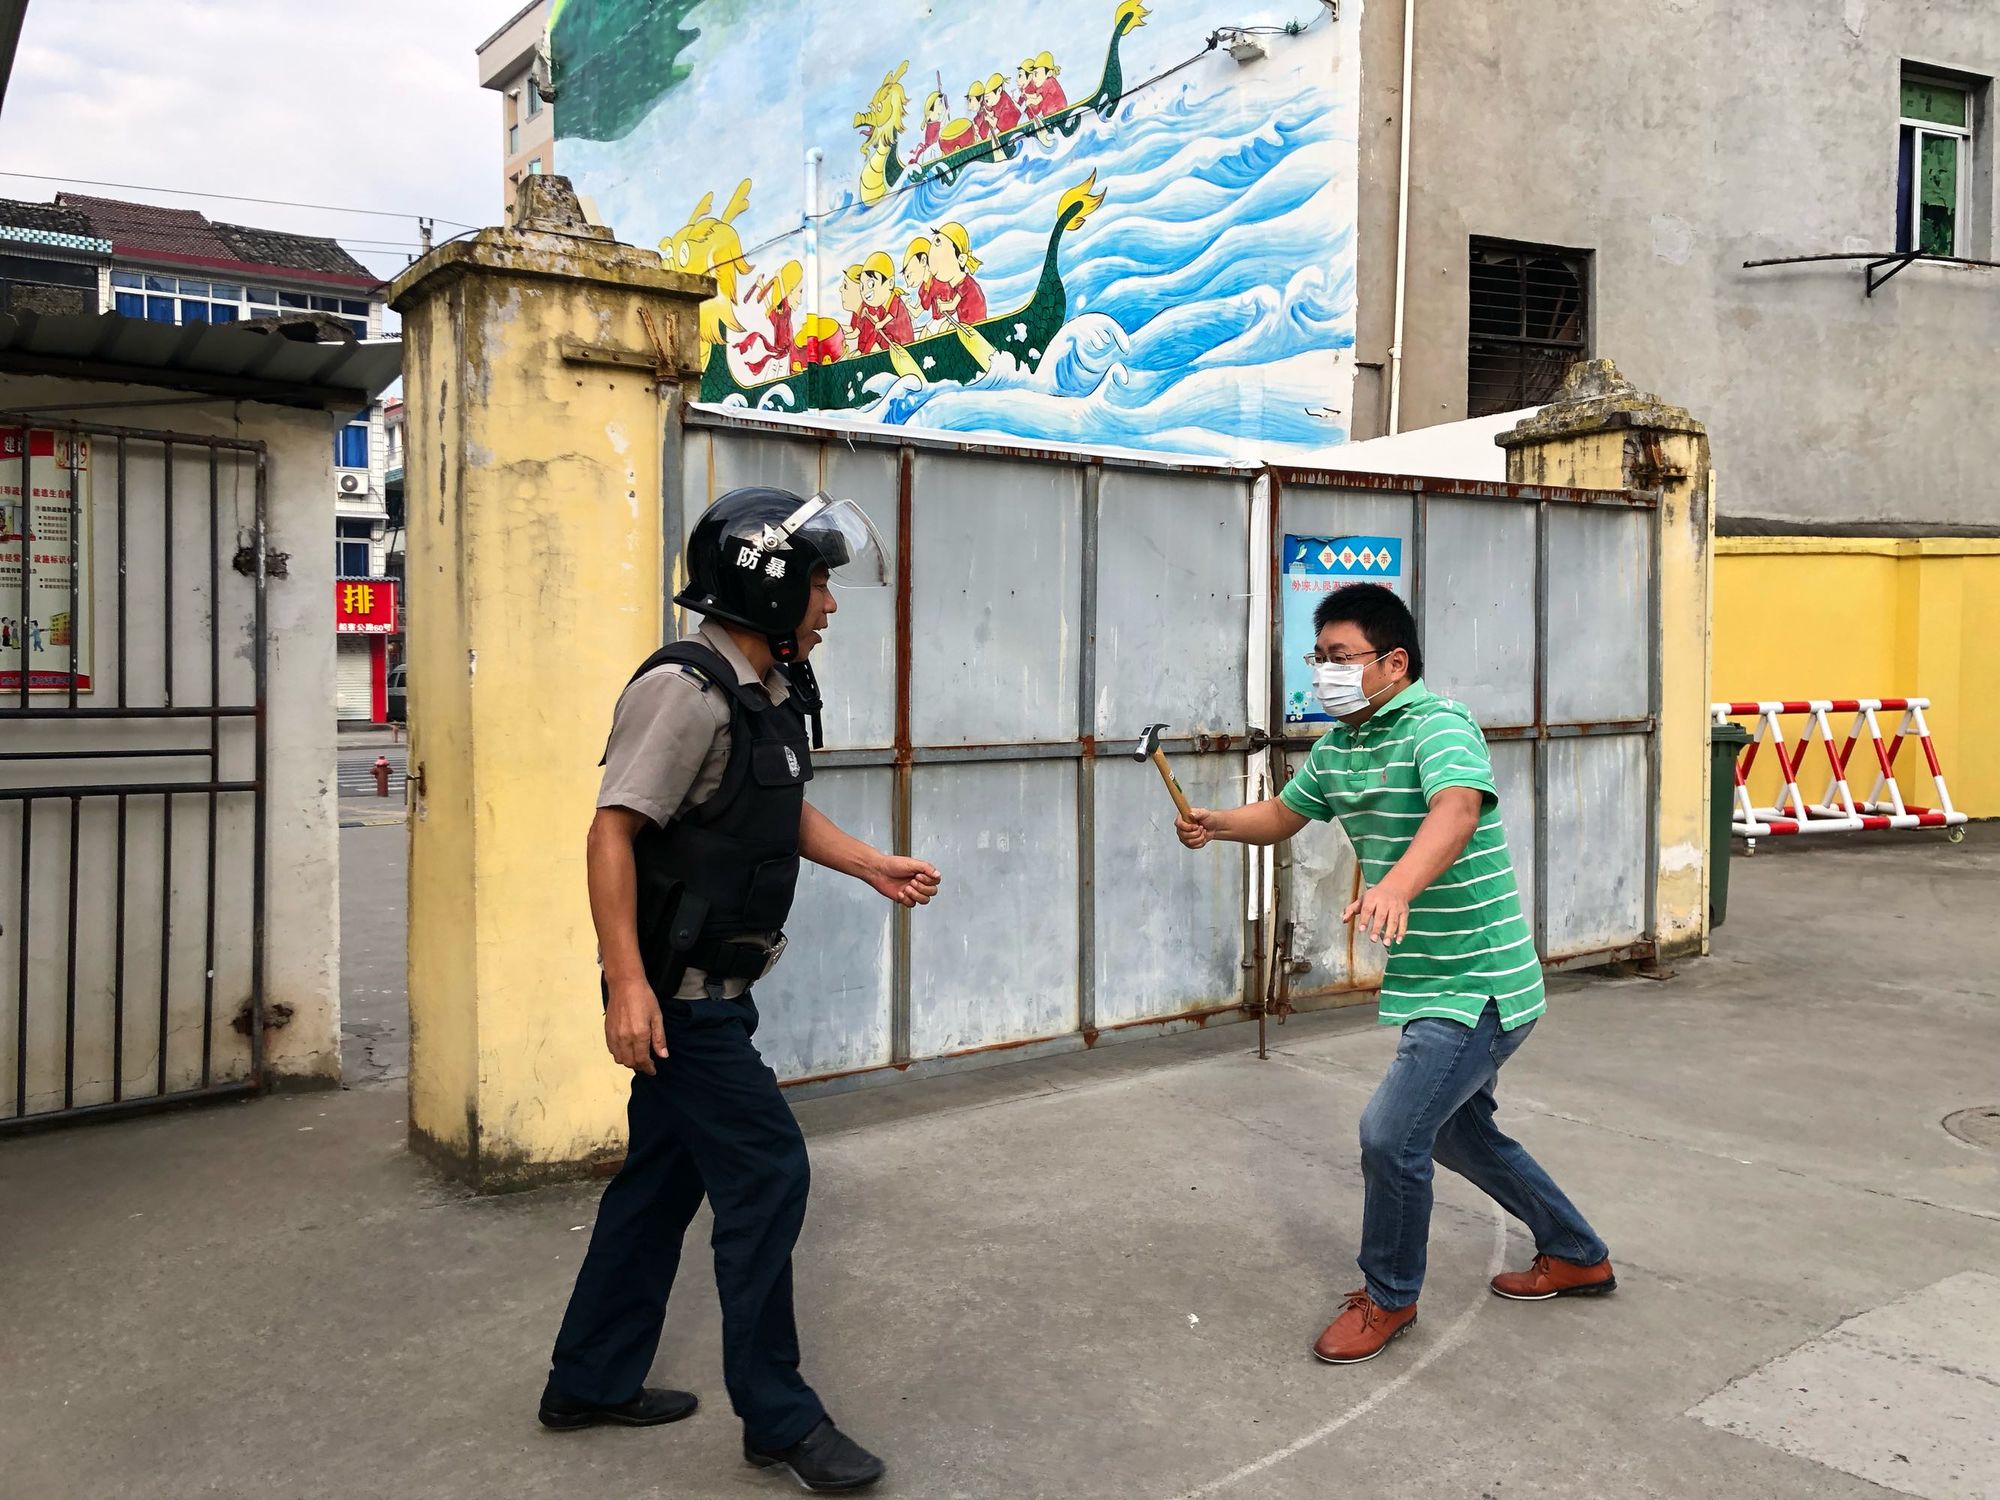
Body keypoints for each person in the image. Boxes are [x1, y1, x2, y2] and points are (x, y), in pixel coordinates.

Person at [542, 487, 942, 1493]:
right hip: (679, 996)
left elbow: (766, 809)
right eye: (817, 583)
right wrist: (626, 984)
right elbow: (611, 832)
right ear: (766, 583)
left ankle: (588, 1379)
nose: (829, 604)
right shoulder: (684, 690)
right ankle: (778, 1416)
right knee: (767, 1175)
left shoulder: (760, 687)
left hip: (713, 986)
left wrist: (868, 864)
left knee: (660, 1182)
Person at [1175, 582, 1613, 1365]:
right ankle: (1576, 1250)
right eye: (1319, 658)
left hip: (1480, 980)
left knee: (1390, 1135)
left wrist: (1396, 884)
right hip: (1428, 977)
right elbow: (1283, 815)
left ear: (1393, 661)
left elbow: (1456, 809)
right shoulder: (1341, 747)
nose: (1324, 672)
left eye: (1340, 657)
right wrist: (1216, 823)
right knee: (1457, 1135)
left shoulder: (1437, 726)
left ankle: (1389, 1295)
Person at [928, 223, 987, 328]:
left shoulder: (966, 284)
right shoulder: (955, 285)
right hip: (965, 325)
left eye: (938, 242)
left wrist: (943, 305)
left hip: (975, 327)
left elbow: (952, 305)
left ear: (961, 259)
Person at [856, 252, 916, 352]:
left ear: (890, 283)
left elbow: (891, 315)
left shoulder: (894, 300)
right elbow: (876, 318)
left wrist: (882, 323)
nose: (865, 292)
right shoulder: (880, 306)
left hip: (900, 341)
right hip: (889, 338)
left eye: (871, 284)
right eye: (862, 287)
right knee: (874, 338)